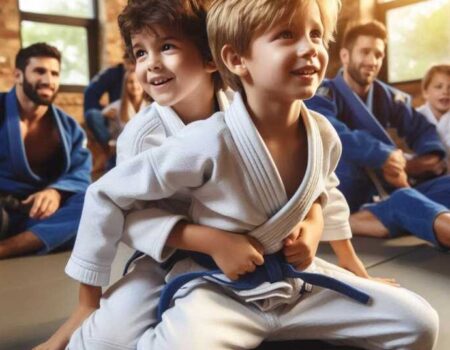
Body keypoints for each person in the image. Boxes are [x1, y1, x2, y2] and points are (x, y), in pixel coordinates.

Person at [57, 1, 438, 349]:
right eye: (140, 53)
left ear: (211, 60)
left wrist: (327, 238)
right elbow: (123, 207)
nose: (151, 63)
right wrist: (210, 241)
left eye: (167, 47)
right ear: (234, 58)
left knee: (419, 321)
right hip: (180, 259)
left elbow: (319, 188)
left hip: (279, 268)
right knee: (108, 337)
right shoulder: (160, 137)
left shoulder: (288, 116)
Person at [306, 20, 450, 249]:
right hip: (352, 194)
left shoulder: (388, 96)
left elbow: (422, 129)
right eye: (365, 52)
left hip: (393, 184)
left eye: (378, 54)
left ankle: (386, 218)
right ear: (345, 55)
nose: (372, 61)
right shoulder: (322, 93)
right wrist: (384, 155)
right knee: (405, 201)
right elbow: (328, 130)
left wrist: (427, 160)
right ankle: (354, 220)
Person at [0, 43, 91, 259]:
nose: (49, 81)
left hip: (38, 214)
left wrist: (55, 192)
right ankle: (38, 240)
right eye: (39, 71)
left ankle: (6, 248)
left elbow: (80, 171)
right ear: (19, 75)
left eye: (54, 73)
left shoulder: (68, 127)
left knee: (93, 202)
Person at [83, 58, 129, 170]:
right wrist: (103, 111)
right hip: (115, 123)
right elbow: (90, 93)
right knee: (93, 115)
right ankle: (107, 151)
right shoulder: (114, 73)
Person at [417, 64, 450, 156]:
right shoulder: (417, 116)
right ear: (425, 92)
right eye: (439, 87)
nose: (446, 92)